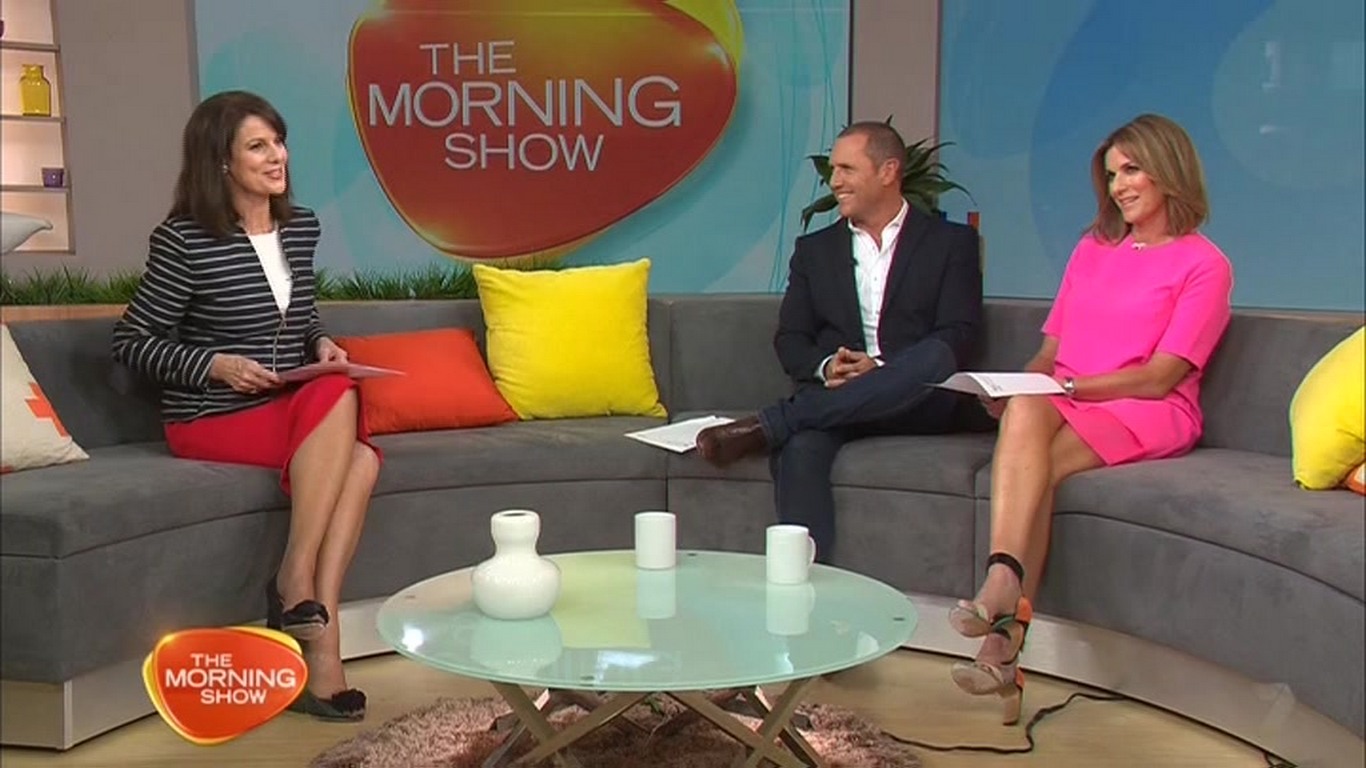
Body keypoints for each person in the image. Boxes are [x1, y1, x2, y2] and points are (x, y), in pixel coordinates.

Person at [948, 114, 1233, 725]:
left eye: (1131, 170)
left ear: (1169, 170)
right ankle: (1004, 603)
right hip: (1064, 397)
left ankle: (1003, 626)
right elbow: (1050, 351)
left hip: (1147, 408)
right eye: (1111, 175)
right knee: (1027, 418)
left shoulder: (1205, 265)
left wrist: (1068, 387)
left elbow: (1161, 376)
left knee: (1039, 467)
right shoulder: (1091, 250)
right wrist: (1017, 386)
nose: (1119, 186)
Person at [112, 90, 380, 722]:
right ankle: (295, 586)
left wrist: (321, 343)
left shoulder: (301, 226)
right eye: (258, 146)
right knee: (348, 425)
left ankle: (316, 634)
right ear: (222, 161)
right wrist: (215, 364)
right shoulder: (184, 240)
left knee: (360, 450)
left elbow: (302, 316)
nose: (277, 156)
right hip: (208, 416)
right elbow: (131, 341)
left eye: (279, 142)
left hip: (283, 405)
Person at [695, 121, 983, 562]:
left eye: (847, 169)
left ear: (888, 171)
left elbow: (959, 334)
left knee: (936, 356)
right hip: (839, 401)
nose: (834, 181)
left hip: (917, 400)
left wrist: (882, 369)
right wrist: (829, 366)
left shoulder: (951, 243)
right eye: (833, 170)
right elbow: (791, 338)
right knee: (800, 447)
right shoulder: (814, 251)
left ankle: (773, 423)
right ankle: (805, 581)